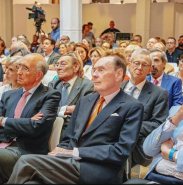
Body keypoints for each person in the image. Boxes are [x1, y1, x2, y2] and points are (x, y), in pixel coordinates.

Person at [8, 55, 144, 184]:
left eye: (101, 70)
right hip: (70, 162)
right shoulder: (85, 101)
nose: (94, 74)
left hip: (99, 169)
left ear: (119, 74)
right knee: (31, 182)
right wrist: (56, 154)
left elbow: (121, 151)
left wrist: (75, 152)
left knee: (26, 161)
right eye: (94, 70)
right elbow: (68, 138)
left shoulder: (132, 106)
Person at [0, 53, 61, 184]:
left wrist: (3, 121)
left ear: (39, 75)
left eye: (25, 68)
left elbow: (35, 127)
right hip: (3, 146)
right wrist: (25, 122)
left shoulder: (50, 96)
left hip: (27, 151)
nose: (19, 72)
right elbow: (28, 124)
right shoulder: (8, 95)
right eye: (19, 67)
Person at [140, 60, 183, 184]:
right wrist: (175, 119)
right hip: (156, 178)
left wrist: (172, 154)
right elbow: (148, 149)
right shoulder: (178, 110)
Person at [122, 49, 169, 167]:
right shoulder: (117, 88)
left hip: (137, 143)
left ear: (149, 70)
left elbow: (158, 124)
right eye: (136, 63)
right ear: (129, 65)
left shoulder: (159, 93)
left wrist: (126, 124)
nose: (139, 67)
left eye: (144, 65)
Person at [48, 51, 94, 136]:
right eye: (57, 65)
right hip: (50, 129)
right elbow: (45, 110)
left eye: (63, 64)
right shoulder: (53, 84)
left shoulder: (87, 86)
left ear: (76, 67)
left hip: (74, 133)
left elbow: (84, 114)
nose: (58, 68)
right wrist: (66, 110)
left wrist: (56, 112)